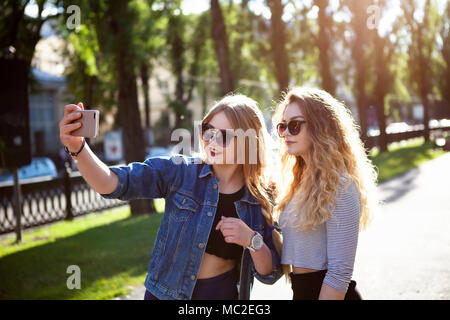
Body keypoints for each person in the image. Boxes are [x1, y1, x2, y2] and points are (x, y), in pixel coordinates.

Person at [59, 96, 281, 300]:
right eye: (208, 130)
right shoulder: (180, 172)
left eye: (223, 136)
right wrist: (78, 148)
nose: (211, 141)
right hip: (165, 295)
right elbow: (112, 183)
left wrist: (252, 239)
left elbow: (269, 273)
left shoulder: (260, 195)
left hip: (221, 294)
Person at [272, 87, 378, 300]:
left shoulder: (341, 186)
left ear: (320, 127)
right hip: (301, 292)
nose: (285, 133)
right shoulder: (295, 184)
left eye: (294, 125)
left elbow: (340, 273)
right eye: (282, 126)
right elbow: (296, 248)